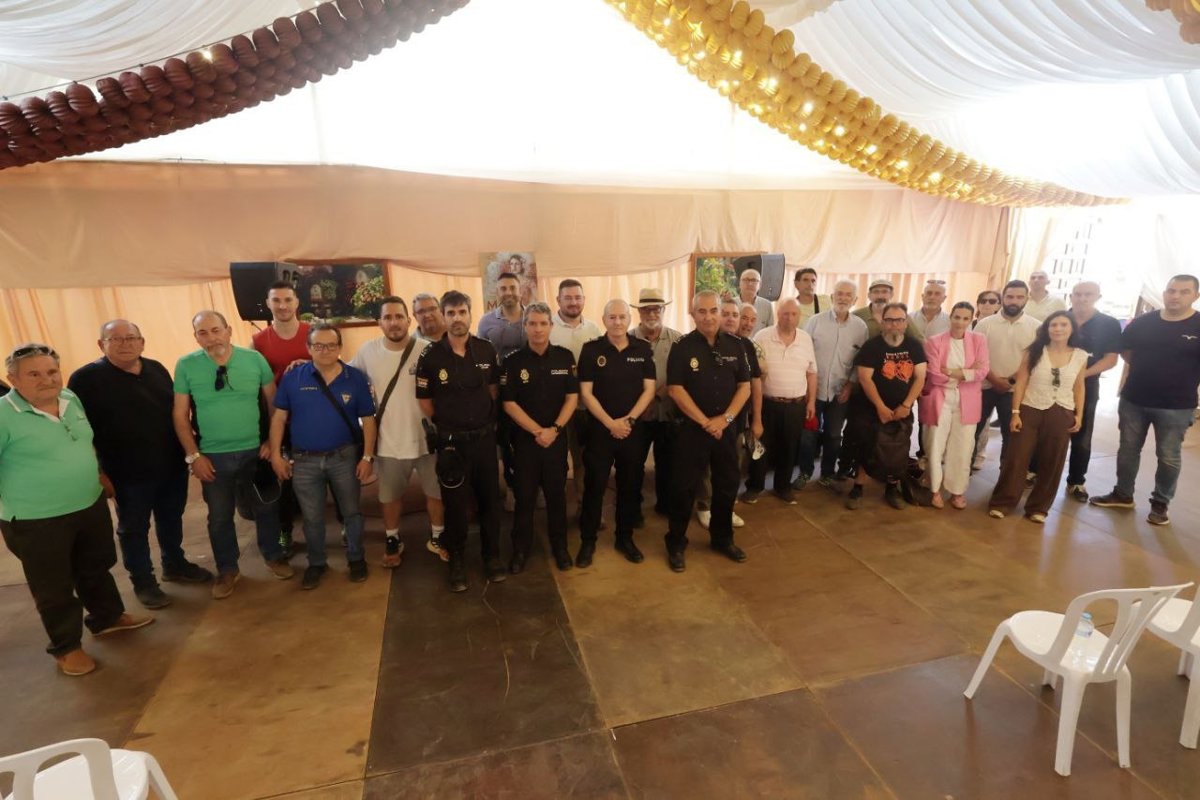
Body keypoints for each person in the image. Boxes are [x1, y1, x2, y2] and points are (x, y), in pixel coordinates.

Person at [1, 343, 153, 677]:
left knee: (95, 566)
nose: (46, 379)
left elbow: (85, 441)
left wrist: (99, 474)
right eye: (34, 374)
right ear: (13, 379)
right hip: (36, 518)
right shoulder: (3, 414)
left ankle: (107, 618)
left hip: (88, 501)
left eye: (51, 371)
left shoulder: (70, 398)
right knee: (53, 585)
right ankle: (66, 647)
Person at [68, 320, 212, 609]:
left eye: (131, 337)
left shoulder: (156, 369)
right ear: (101, 344)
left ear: (142, 342)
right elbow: (77, 431)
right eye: (116, 339)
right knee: (133, 529)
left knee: (171, 518)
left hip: (170, 464)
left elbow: (176, 413)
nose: (125, 344)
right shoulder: (84, 379)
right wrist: (98, 471)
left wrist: (190, 453)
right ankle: (144, 582)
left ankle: (174, 563)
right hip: (126, 473)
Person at [173, 310, 287, 600]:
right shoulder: (186, 365)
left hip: (256, 452)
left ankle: (273, 555)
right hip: (213, 457)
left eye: (216, 330)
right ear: (196, 337)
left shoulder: (254, 360)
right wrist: (194, 456)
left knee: (266, 507)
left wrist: (271, 443)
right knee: (220, 516)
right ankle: (227, 569)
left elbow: (275, 405)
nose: (211, 338)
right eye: (203, 333)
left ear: (228, 331)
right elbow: (180, 415)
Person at [270, 324, 376, 589]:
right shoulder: (293, 377)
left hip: (344, 457)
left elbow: (368, 420)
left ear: (340, 347)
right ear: (308, 348)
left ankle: (356, 559)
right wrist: (276, 455)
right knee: (312, 517)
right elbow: (279, 418)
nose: (325, 350)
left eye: (331, 345)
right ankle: (316, 563)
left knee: (351, 512)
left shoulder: (355, 378)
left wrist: (367, 457)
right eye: (318, 345)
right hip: (304, 461)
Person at [1090, 274, 1200, 526]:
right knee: (1128, 449)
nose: (1175, 296)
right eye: (1171, 290)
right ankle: (1123, 494)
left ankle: (1160, 503)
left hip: (1177, 405)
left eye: (1184, 291)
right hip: (1134, 398)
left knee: (1168, 456)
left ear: (1195, 296)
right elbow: (1126, 351)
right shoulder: (1143, 322)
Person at [415, 291, 505, 591]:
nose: (457, 318)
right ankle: (457, 561)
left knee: (490, 501)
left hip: (483, 441)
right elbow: (425, 401)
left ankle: (492, 557)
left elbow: (493, 390)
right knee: (455, 506)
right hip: (451, 444)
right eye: (451, 313)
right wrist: (448, 423)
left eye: (462, 312)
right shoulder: (430, 356)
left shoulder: (486, 349)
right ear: (443, 316)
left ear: (470, 314)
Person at [349, 296, 446, 566]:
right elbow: (343, 373)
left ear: (409, 320)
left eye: (399, 316)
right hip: (389, 441)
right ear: (379, 322)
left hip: (428, 439)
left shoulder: (428, 350)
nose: (394, 322)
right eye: (388, 317)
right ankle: (392, 538)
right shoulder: (368, 352)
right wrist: (307, 363)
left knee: (436, 492)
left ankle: (438, 536)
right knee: (389, 496)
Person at [665, 291, 752, 572]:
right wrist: (706, 422)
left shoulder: (736, 345)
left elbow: (745, 387)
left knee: (727, 485)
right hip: (692, 430)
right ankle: (676, 543)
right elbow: (675, 389)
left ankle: (722, 538)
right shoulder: (682, 347)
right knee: (684, 489)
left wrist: (725, 419)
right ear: (692, 314)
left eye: (714, 310)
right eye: (701, 311)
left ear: (721, 312)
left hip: (726, 429)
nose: (708, 317)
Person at [577, 300, 656, 566]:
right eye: (612, 317)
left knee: (630, 486)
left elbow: (649, 389)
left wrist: (629, 421)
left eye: (622, 317)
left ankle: (625, 538)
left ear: (630, 319)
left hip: (632, 432)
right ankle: (588, 541)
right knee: (594, 487)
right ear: (604, 320)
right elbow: (586, 393)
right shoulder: (591, 350)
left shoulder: (642, 349)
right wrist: (610, 423)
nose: (618, 322)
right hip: (600, 432)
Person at [501, 302, 578, 572]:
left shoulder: (565, 358)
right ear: (525, 326)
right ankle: (521, 549)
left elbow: (572, 398)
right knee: (524, 498)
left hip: (556, 440)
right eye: (532, 323)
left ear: (551, 326)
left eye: (543, 323)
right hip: (525, 443)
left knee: (557, 497)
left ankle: (560, 548)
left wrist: (554, 430)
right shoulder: (512, 362)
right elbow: (509, 403)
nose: (537, 329)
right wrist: (538, 431)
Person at [988, 311, 1086, 522]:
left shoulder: (1080, 356)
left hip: (1062, 411)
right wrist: (1015, 413)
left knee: (1053, 461)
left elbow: (1079, 387)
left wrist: (1079, 414)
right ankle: (1002, 502)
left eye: (1063, 325)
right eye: (1053, 325)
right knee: (1017, 457)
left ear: (1072, 329)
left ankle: (1039, 508)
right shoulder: (1034, 352)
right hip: (1030, 408)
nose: (1058, 329)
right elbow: (1021, 382)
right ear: (1047, 329)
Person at [844, 303, 927, 510]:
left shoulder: (914, 346)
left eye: (899, 320)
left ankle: (892, 489)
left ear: (906, 323)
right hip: (871, 409)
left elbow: (920, 377)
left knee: (898, 450)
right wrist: (880, 407)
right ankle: (858, 487)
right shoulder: (872, 346)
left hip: (902, 409)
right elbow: (864, 378)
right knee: (866, 447)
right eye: (889, 320)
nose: (894, 325)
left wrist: (906, 405)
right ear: (882, 323)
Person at [251, 280, 311, 557]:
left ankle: (344, 525)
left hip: (313, 416)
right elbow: (255, 388)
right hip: (279, 419)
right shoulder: (258, 341)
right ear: (268, 303)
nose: (283, 305)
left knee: (328, 473)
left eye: (288, 300)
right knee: (283, 477)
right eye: (276, 300)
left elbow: (335, 366)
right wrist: (266, 433)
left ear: (297, 302)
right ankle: (285, 530)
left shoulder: (314, 333)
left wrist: (309, 365)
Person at [745, 298, 818, 502]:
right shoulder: (762, 336)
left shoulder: (805, 339)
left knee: (790, 448)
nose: (789, 318)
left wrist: (811, 401)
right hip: (766, 403)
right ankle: (754, 486)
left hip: (796, 405)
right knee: (760, 447)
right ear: (778, 314)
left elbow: (812, 372)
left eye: (794, 314)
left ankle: (783, 487)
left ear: (799, 316)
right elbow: (753, 375)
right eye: (785, 313)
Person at [918, 303, 989, 509]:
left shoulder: (979, 340)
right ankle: (934, 489)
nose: (960, 322)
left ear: (971, 319)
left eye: (965, 318)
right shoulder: (935, 341)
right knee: (935, 444)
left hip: (968, 401)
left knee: (963, 446)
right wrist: (967, 372)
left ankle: (957, 491)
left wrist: (950, 371)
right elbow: (934, 375)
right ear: (951, 317)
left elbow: (983, 371)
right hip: (940, 398)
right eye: (957, 317)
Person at [696, 299, 757, 526]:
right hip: (706, 421)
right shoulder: (700, 343)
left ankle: (725, 507)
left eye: (735, 314)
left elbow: (753, 384)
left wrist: (755, 418)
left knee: (731, 466)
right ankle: (704, 504)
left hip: (736, 419)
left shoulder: (745, 345)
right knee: (705, 466)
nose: (731, 318)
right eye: (726, 313)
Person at [1060, 282, 1123, 502]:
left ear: (1098, 297)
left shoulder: (1109, 324)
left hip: (1087, 385)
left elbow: (1111, 359)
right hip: (1053, 384)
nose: (1082, 298)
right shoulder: (1060, 319)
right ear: (1071, 296)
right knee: (1048, 430)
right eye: (1077, 294)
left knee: (1081, 433)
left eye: (1088, 294)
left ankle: (1076, 481)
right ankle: (1035, 471)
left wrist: (1080, 375)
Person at [804, 279, 869, 487]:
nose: (843, 298)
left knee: (833, 435)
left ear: (855, 300)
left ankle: (826, 473)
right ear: (832, 296)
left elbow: (860, 361)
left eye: (848, 295)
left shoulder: (860, 327)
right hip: (813, 389)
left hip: (841, 391)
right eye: (839, 293)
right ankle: (805, 472)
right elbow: (803, 354)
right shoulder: (815, 321)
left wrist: (850, 385)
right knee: (808, 434)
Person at [549, 279, 603, 505]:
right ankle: (557, 507)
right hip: (555, 407)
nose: (573, 302)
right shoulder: (547, 327)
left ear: (584, 300)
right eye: (568, 298)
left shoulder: (594, 329)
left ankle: (583, 504)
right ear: (558, 300)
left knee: (583, 458)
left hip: (585, 407)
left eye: (577, 297)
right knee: (556, 460)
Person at [973, 280, 1040, 463]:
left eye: (1019, 297)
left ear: (1026, 299)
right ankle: (964, 473)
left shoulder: (1036, 327)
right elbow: (975, 356)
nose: (1014, 301)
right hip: (984, 387)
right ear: (1003, 298)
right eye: (1010, 297)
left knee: (1011, 436)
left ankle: (1006, 476)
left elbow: (1034, 361)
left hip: (1015, 392)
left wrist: (1009, 381)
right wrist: (994, 379)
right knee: (972, 431)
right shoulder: (985, 324)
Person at [630, 287, 683, 520]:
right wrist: (643, 402)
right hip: (637, 415)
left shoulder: (678, 340)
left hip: (668, 412)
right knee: (633, 464)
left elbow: (680, 375)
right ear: (639, 312)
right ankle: (633, 509)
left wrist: (657, 396)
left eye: (657, 309)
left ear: (663, 311)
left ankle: (665, 504)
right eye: (647, 310)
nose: (652, 314)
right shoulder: (627, 339)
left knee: (668, 463)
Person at [853, 279, 923, 340]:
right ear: (869, 295)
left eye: (884, 292)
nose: (880, 296)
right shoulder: (857, 315)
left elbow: (919, 338)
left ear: (891, 295)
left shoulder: (901, 314)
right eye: (876, 292)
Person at [737, 268, 774, 334]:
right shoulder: (731, 303)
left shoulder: (767, 305)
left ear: (760, 285)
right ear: (739, 283)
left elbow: (770, 331)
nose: (750, 283)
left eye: (754, 280)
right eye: (746, 280)